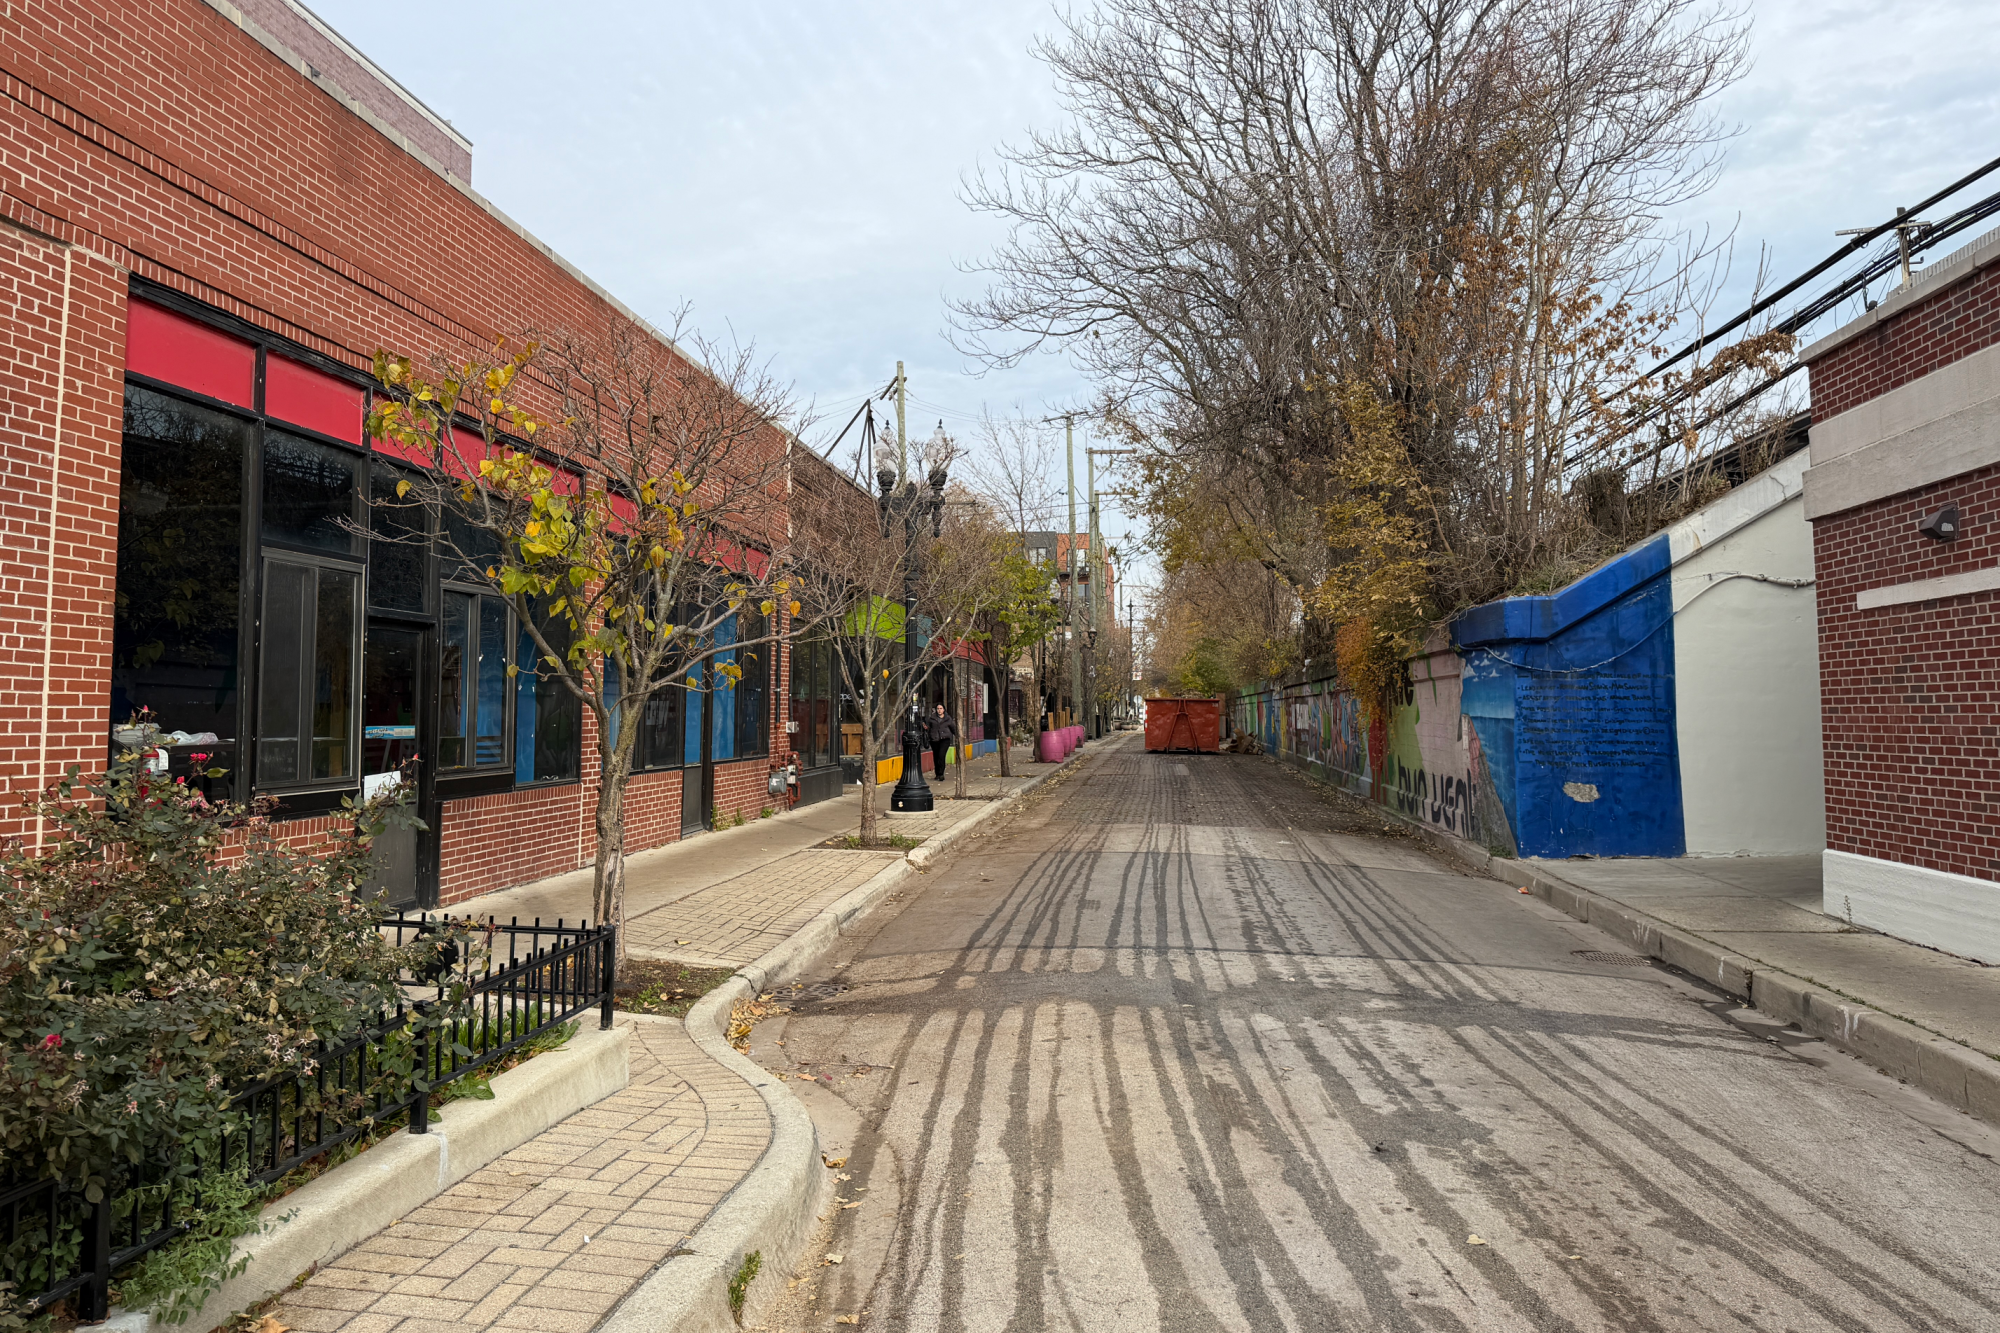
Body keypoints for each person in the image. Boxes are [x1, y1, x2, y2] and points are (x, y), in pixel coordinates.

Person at [926, 701, 957, 783]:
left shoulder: (948, 718)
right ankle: (937, 774)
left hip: (945, 739)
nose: (939, 710)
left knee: (941, 755)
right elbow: (928, 728)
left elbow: (953, 728)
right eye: (938, 709)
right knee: (936, 757)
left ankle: (941, 774)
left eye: (941, 708)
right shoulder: (932, 718)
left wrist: (957, 736)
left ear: (944, 710)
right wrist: (927, 729)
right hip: (934, 740)